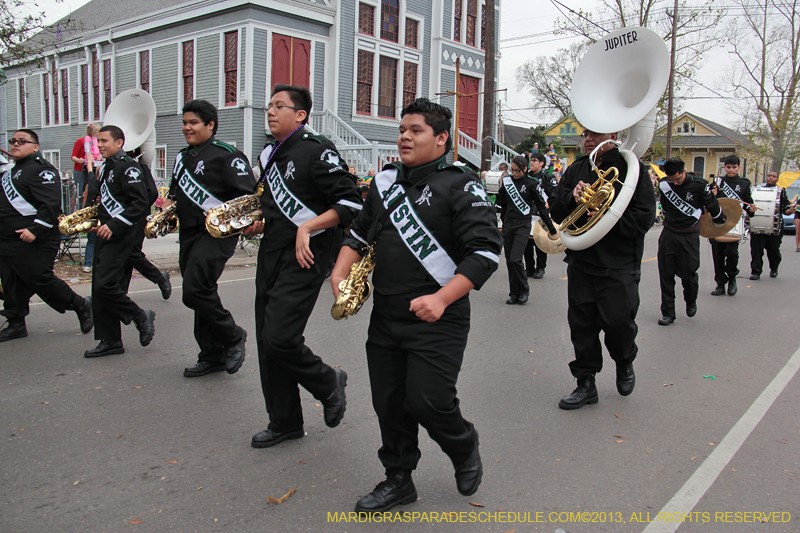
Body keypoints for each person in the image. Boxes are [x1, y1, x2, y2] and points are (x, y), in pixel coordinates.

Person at [331, 98, 502, 513]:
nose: (404, 137)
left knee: (428, 400)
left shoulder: (461, 184)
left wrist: (442, 298)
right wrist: (338, 273)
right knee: (388, 402)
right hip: (386, 314)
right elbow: (359, 233)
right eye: (402, 130)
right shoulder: (385, 182)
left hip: (439, 316)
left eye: (416, 131)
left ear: (441, 138)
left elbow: (485, 252)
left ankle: (463, 445)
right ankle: (398, 479)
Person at [242, 85, 362, 449]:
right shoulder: (270, 154)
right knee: (267, 339)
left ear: (300, 115)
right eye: (269, 105)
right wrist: (258, 220)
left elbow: (350, 203)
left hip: (306, 254)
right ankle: (285, 422)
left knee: (280, 337)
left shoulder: (316, 149)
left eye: (280, 106)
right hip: (272, 252)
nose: (271, 111)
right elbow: (274, 205)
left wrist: (308, 227)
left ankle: (327, 381)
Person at [549, 129, 656, 410]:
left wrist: (609, 216)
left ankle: (624, 360)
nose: (588, 139)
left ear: (614, 132)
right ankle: (585, 383)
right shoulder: (577, 169)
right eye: (586, 133)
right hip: (582, 262)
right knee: (581, 327)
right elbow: (557, 211)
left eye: (596, 133)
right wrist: (572, 198)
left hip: (618, 264)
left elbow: (644, 217)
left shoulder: (632, 169)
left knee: (619, 324)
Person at [163, 100, 255, 376]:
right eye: (184, 123)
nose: (186, 128)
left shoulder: (227, 155)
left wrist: (251, 223)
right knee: (202, 291)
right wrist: (165, 211)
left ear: (210, 124)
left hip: (217, 234)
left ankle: (233, 335)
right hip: (189, 233)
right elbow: (175, 193)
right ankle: (211, 355)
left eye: (193, 122)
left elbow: (248, 197)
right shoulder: (182, 157)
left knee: (194, 289)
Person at [0, 129, 94, 342]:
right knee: (11, 281)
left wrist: (35, 230)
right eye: (13, 141)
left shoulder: (42, 170)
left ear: (35, 147)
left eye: (22, 141)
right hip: (8, 239)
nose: (15, 144)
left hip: (37, 238)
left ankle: (80, 305)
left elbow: (51, 204)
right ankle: (16, 323)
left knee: (40, 279)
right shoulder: (10, 172)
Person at [83, 125, 155, 358]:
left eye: (104, 141)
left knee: (105, 286)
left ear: (119, 143)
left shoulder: (128, 166)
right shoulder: (107, 167)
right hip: (105, 232)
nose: (99, 145)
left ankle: (139, 315)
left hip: (121, 234)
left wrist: (114, 225)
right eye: (98, 141)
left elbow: (139, 202)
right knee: (99, 287)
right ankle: (110, 340)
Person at [656, 158, 726, 326]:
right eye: (672, 180)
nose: (675, 183)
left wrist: (720, 220)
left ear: (684, 171)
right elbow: (664, 205)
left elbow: (712, 204)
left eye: (678, 179)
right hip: (669, 234)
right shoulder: (664, 185)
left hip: (689, 235)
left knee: (689, 275)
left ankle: (690, 299)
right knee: (666, 275)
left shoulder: (699, 185)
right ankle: (668, 313)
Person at [497, 154, 556, 304]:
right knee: (510, 261)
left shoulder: (531, 183)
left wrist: (551, 227)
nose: (514, 173)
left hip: (523, 224)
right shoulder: (508, 181)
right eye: (512, 170)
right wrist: (501, 219)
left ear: (525, 169)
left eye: (517, 170)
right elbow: (502, 202)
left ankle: (524, 289)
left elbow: (541, 207)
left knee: (516, 259)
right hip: (508, 224)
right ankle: (513, 293)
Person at [122, 147, 171, 300]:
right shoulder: (113, 166)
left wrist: (137, 208)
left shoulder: (138, 165)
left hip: (136, 217)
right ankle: (121, 293)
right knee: (124, 254)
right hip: (120, 218)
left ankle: (160, 278)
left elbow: (152, 192)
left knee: (132, 253)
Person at [709, 155, 755, 296]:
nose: (731, 170)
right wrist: (712, 195)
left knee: (732, 254)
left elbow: (748, 203)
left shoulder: (744, 183)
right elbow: (708, 203)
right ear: (724, 167)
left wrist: (751, 209)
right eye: (728, 167)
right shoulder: (717, 182)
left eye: (734, 167)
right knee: (717, 255)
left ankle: (732, 279)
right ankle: (720, 283)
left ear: (739, 168)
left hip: (734, 224)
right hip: (717, 223)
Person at [749, 170, 795, 279]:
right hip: (758, 224)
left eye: (773, 176)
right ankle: (756, 272)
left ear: (777, 179)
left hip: (774, 226)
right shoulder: (757, 190)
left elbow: (785, 208)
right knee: (756, 250)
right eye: (769, 175)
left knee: (773, 250)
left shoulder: (780, 192)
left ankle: (774, 268)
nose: (770, 177)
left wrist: (790, 211)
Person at [524, 152, 559, 279]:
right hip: (528, 213)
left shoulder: (547, 177)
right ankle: (529, 268)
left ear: (541, 163)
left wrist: (547, 205)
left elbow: (555, 194)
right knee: (527, 243)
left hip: (541, 214)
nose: (531, 163)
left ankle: (540, 268)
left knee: (540, 242)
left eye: (534, 160)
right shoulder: (527, 176)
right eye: (531, 160)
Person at [81, 123, 102, 273]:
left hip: (91, 214)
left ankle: (88, 264)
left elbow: (89, 169)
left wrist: (89, 162)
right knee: (99, 240)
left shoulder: (91, 182)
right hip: (100, 214)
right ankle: (98, 263)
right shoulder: (104, 184)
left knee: (91, 241)